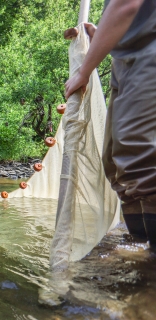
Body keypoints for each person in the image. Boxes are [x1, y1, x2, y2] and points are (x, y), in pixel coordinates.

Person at [64, 0, 156, 245]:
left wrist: (84, 71)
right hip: (127, 62)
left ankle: (149, 266)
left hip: (149, 58)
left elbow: (126, 5)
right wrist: (101, 34)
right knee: (115, 162)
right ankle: (139, 249)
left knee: (141, 159)